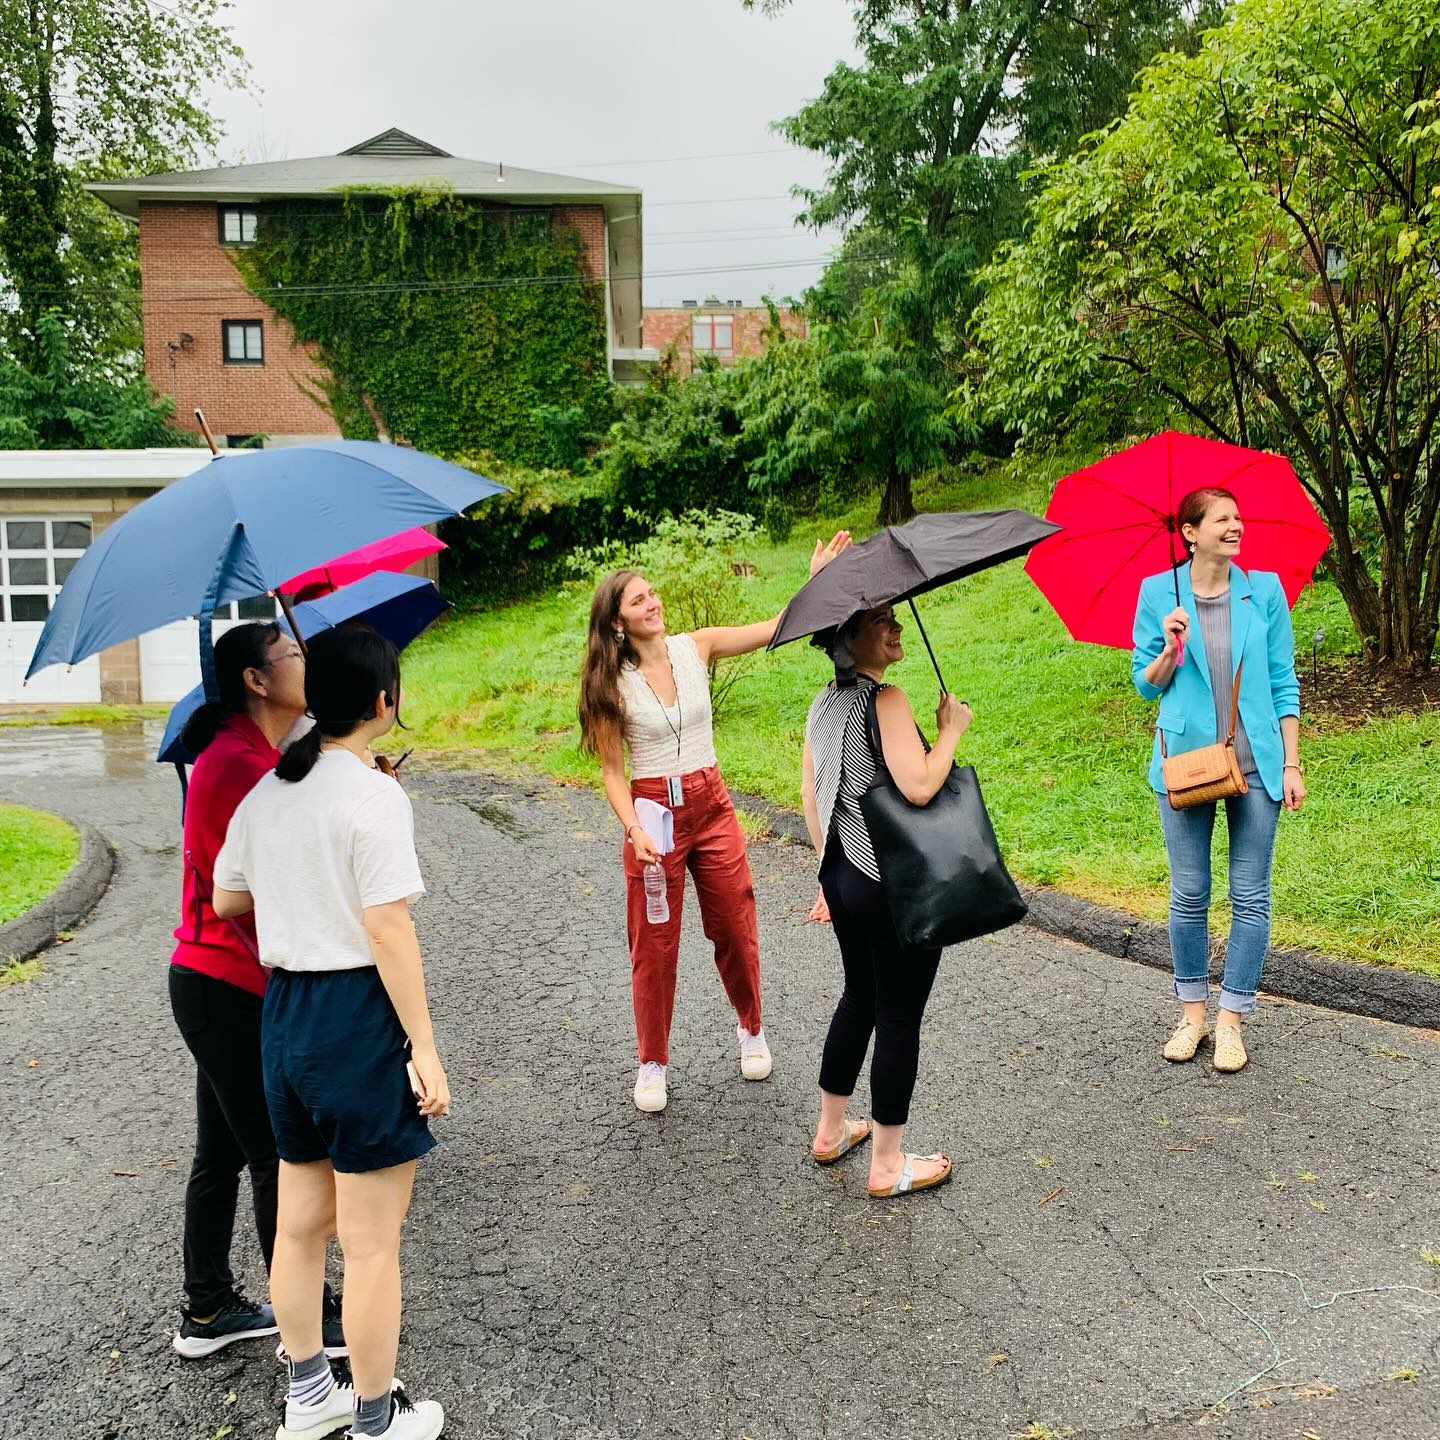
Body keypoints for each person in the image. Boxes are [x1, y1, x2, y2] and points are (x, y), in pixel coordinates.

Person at [213, 626, 449, 1440]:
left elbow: (227, 899)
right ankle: (379, 1420)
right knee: (372, 1240)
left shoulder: (267, 792)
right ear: (385, 703)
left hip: (284, 1021)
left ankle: (311, 1396)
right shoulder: (374, 796)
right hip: (354, 1020)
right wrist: (423, 1044)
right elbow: (387, 929)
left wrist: (299, 875)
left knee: (299, 1222)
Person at [578, 533, 851, 1114]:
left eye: (652, 594)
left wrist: (816, 578)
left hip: (710, 801)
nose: (653, 603)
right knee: (654, 941)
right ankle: (652, 1061)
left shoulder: (695, 648)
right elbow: (610, 772)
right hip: (652, 810)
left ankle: (751, 1028)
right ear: (618, 623)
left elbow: (777, 626)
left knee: (734, 920)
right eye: (638, 601)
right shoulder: (610, 684)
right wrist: (635, 829)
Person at [168, 621, 344, 1360]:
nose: (307, 662)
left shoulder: (251, 756)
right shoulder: (234, 766)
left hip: (219, 983)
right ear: (256, 679)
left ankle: (206, 1309)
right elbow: (253, 888)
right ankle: (311, 1323)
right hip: (226, 985)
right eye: (296, 655)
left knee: (224, 1151)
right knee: (278, 1154)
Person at [1132, 486, 1305, 1074]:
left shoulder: (1267, 593)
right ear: (1190, 532)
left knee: (1250, 892)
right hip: (1185, 763)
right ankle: (1192, 1013)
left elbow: (1284, 683)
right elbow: (1146, 683)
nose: (1236, 526)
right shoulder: (1159, 593)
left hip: (1255, 761)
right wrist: (1170, 644)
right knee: (1189, 891)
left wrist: (1291, 762)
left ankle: (1231, 1019)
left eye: (1239, 517)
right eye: (1222, 519)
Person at [800, 605, 970, 1197]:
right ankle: (888, 1163)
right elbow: (920, 787)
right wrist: (950, 730)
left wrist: (828, 874)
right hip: (892, 884)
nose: (896, 627)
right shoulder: (887, 699)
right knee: (898, 1015)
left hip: (845, 874)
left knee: (859, 999)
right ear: (852, 637)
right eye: (882, 620)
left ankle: (829, 1132)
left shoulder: (824, 704)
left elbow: (810, 793)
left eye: (898, 616)